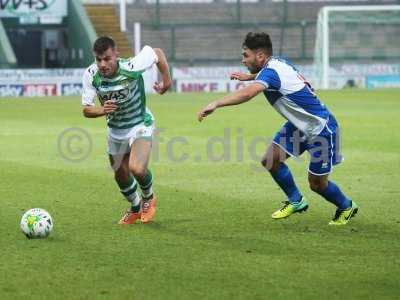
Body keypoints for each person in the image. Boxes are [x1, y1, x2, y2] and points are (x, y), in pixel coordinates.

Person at [198, 32, 358, 225]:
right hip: (299, 126)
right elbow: (265, 76)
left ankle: (346, 206)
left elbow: (248, 94)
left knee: (317, 184)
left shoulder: (271, 72)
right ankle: (296, 201)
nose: (242, 60)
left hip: (321, 129)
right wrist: (249, 76)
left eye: (245, 55)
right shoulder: (277, 63)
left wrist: (216, 103)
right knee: (270, 160)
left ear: (260, 56)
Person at [82, 36, 171, 224]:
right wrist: (101, 110)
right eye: (99, 59)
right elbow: (86, 109)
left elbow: (158, 53)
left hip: (140, 123)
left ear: (116, 54)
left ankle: (149, 197)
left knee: (136, 168)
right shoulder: (91, 74)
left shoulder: (131, 66)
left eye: (107, 58)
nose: (102, 64)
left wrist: (167, 81)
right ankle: (136, 206)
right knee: (120, 174)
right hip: (115, 130)